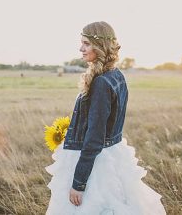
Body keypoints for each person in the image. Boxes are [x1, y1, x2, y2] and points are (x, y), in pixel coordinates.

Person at [45, 21, 166, 214]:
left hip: (97, 163)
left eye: (86, 43)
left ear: (100, 45)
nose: (81, 48)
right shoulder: (116, 75)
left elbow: (95, 136)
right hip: (112, 154)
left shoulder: (101, 82)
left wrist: (79, 182)